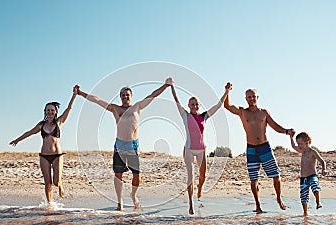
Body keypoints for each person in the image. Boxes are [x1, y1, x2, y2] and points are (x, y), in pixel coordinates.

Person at [76, 78, 173, 211]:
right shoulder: (115, 109)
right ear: (120, 97)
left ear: (131, 96)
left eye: (127, 94)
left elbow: (153, 95)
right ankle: (119, 202)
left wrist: (166, 85)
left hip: (133, 146)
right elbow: (97, 99)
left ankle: (133, 196)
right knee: (118, 175)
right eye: (122, 95)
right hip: (119, 146)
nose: (125, 97)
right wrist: (81, 93)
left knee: (137, 175)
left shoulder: (137, 107)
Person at [224, 82, 294, 213]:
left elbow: (275, 126)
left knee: (276, 175)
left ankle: (279, 198)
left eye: (253, 96)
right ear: (246, 99)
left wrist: (286, 131)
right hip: (251, 149)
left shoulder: (264, 113)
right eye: (249, 97)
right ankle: (257, 205)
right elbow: (227, 106)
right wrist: (227, 91)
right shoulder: (242, 112)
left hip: (265, 148)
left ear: (257, 98)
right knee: (254, 179)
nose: (251, 99)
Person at [9, 85, 78, 203]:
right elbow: (29, 132)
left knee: (56, 181)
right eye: (48, 110)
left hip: (57, 156)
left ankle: (60, 185)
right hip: (44, 156)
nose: (50, 112)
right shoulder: (41, 125)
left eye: (52, 110)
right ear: (45, 112)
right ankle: (50, 204)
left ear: (55, 111)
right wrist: (17, 140)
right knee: (48, 182)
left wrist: (74, 95)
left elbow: (69, 109)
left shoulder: (59, 122)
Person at [171, 84, 230, 215]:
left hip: (202, 150)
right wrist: (172, 86)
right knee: (190, 176)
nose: (194, 106)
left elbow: (218, 106)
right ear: (188, 106)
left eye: (196, 104)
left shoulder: (204, 116)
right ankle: (191, 203)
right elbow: (176, 100)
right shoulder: (185, 116)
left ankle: (200, 188)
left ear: (199, 105)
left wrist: (226, 92)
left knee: (203, 175)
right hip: (189, 150)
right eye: (192, 104)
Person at [290, 132, 326, 216]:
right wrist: (291, 137)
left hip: (312, 175)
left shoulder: (313, 152)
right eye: (298, 144)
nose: (299, 146)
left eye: (300, 144)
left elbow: (322, 161)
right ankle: (305, 212)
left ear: (307, 143)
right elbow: (293, 146)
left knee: (315, 186)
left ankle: (318, 202)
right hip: (303, 178)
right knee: (303, 195)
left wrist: (324, 169)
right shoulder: (302, 151)